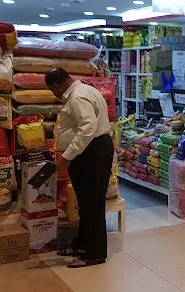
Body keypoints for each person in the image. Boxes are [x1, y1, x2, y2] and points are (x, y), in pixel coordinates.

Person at [46, 67, 113, 268]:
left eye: (52, 91)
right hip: (89, 151)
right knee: (86, 203)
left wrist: (67, 156)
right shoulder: (84, 90)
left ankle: (95, 254)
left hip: (91, 152)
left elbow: (87, 129)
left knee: (92, 203)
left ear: (57, 86)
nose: (54, 95)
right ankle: (83, 244)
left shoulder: (77, 97)